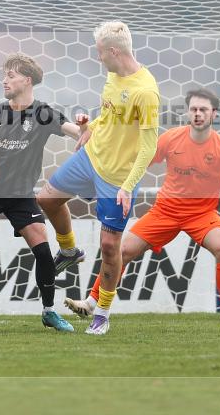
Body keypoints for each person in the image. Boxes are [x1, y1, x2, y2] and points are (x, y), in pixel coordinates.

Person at [64, 88, 220, 322]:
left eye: (203, 110)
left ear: (214, 114)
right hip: (165, 211)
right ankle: (92, 302)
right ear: (188, 112)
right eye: (193, 109)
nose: (198, 114)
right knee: (123, 250)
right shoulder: (172, 138)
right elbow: (140, 162)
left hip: (202, 214)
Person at [37, 21, 160, 335]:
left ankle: (102, 314)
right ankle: (68, 250)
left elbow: (149, 146)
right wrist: (90, 125)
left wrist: (128, 186)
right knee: (46, 199)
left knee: (109, 247)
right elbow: (109, 114)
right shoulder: (112, 75)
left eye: (100, 52)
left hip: (117, 179)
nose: (98, 57)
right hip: (90, 157)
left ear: (114, 51)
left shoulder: (145, 91)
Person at [0, 53, 89, 332]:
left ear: (27, 81)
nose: (4, 80)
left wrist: (87, 131)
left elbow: (75, 131)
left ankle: (49, 311)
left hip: (20, 194)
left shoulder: (43, 113)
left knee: (41, 245)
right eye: (4, 75)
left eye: (11, 75)